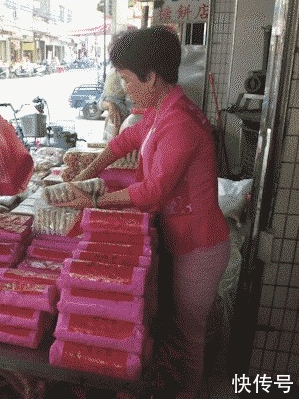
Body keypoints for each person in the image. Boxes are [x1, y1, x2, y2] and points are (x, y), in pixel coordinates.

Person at [54, 26, 230, 399]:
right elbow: (124, 141)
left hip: (199, 246)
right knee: (175, 323)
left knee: (188, 330)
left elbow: (154, 191)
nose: (123, 88)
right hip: (179, 236)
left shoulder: (180, 122)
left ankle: (190, 391)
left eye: (126, 79)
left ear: (151, 76)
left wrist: (95, 201)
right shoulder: (161, 109)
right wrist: (88, 173)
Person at [100, 65, 132, 141]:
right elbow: (101, 102)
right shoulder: (114, 73)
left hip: (123, 132)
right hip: (112, 130)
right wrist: (109, 105)